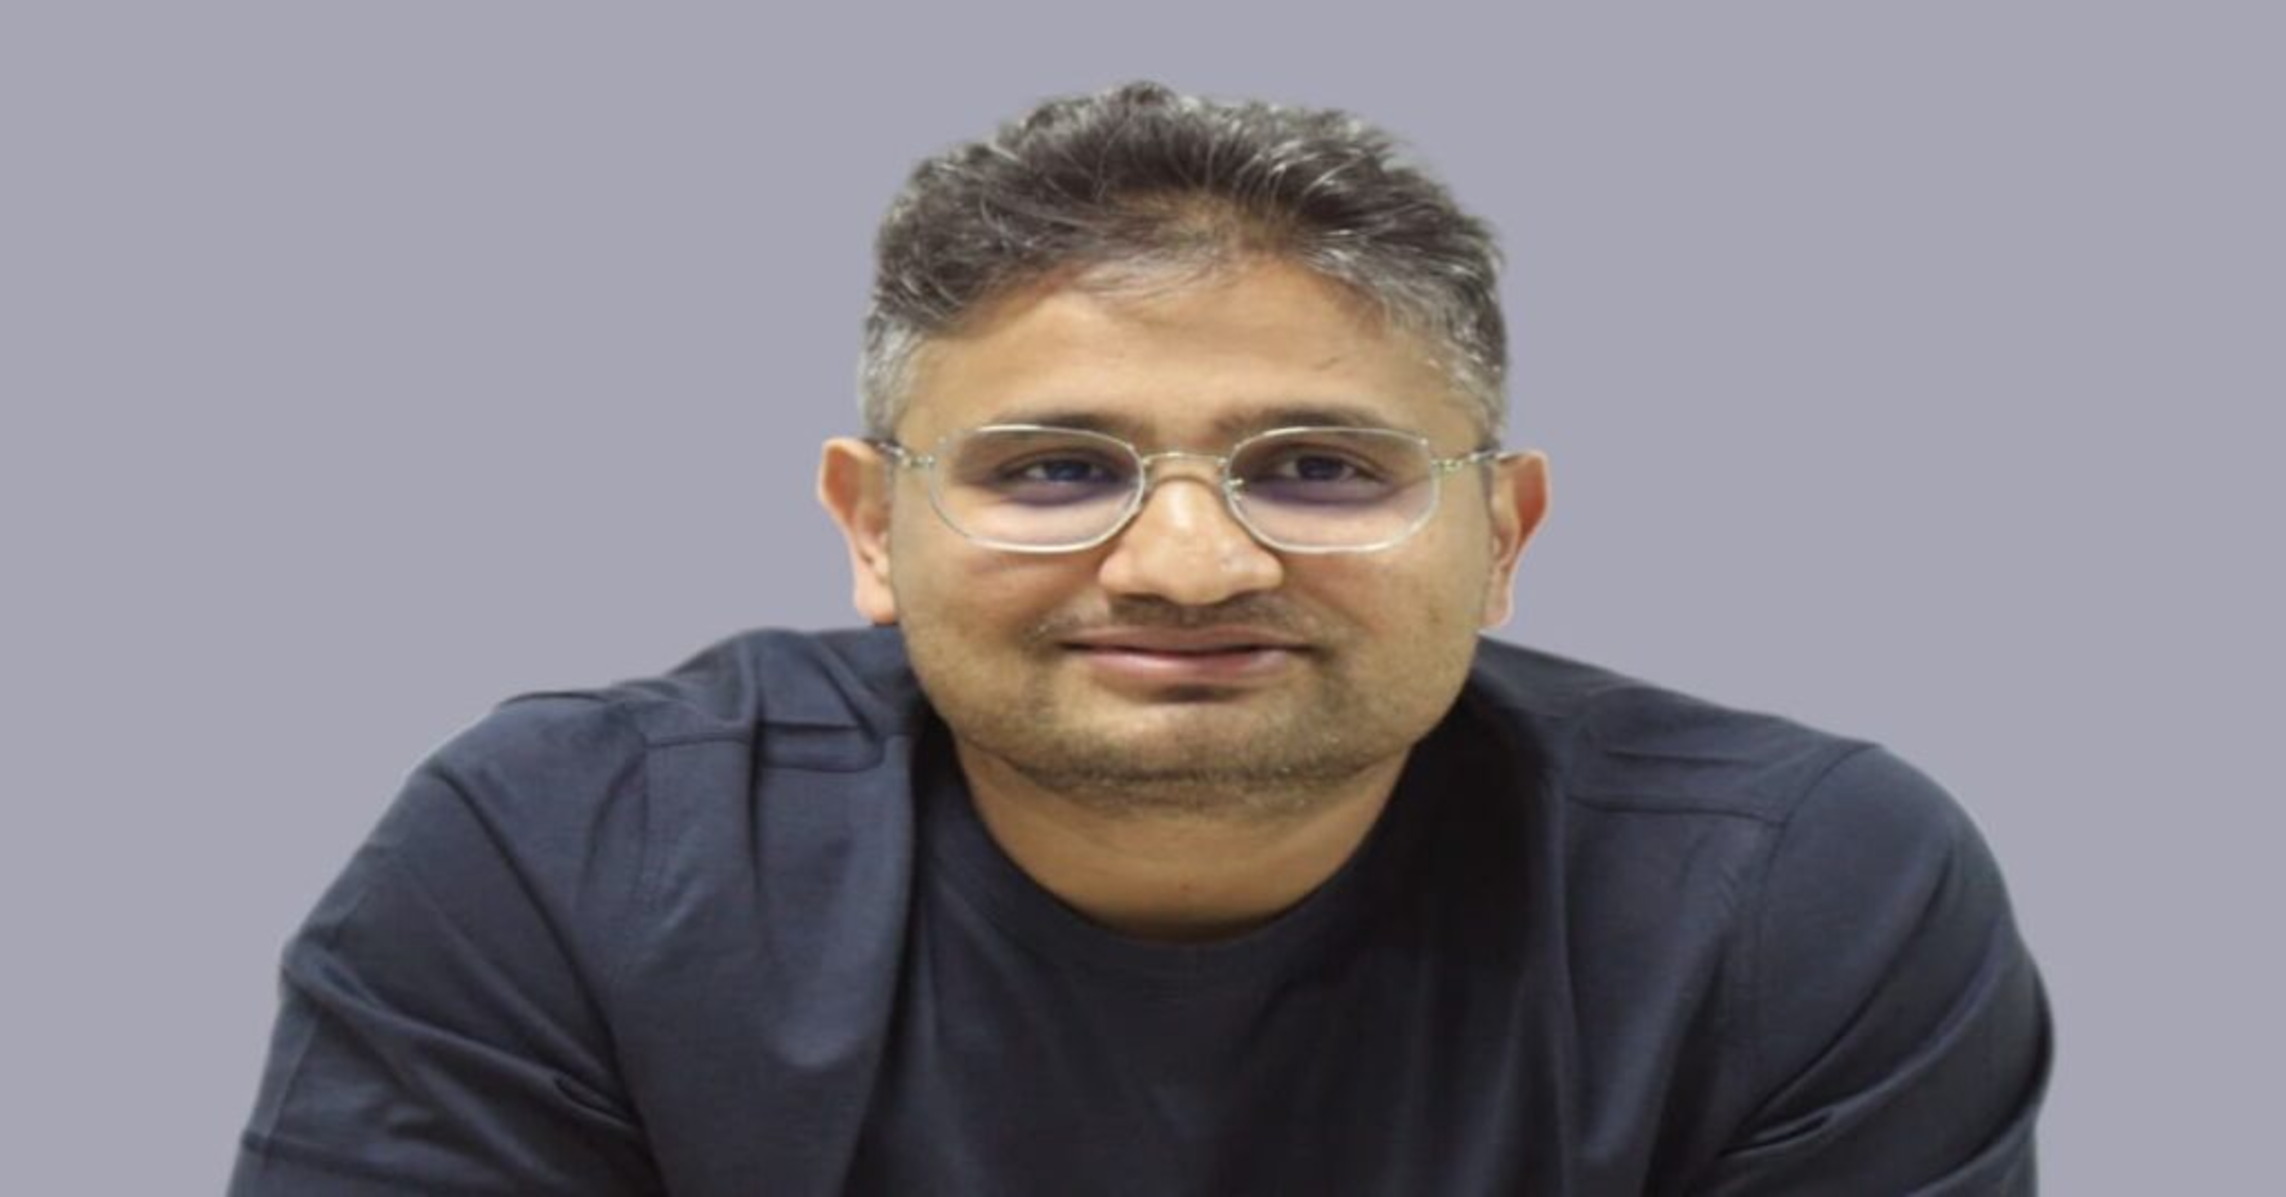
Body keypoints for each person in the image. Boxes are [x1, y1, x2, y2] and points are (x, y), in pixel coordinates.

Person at [228, 81, 2052, 1195]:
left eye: (1320, 468)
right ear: (871, 529)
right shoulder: (567, 855)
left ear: (1500, 536)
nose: (1187, 564)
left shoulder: (1794, 893)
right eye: (1054, 469)